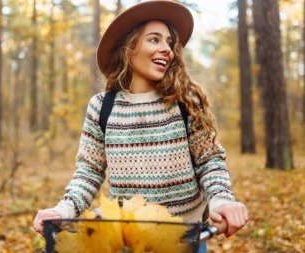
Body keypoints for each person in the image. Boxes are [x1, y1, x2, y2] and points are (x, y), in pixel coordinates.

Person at [33, 0, 248, 251]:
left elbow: (210, 161)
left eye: (169, 42)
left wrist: (222, 200)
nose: (166, 49)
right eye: (154, 39)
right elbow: (89, 172)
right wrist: (63, 209)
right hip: (125, 240)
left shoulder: (185, 101)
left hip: (184, 240)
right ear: (128, 48)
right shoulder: (102, 107)